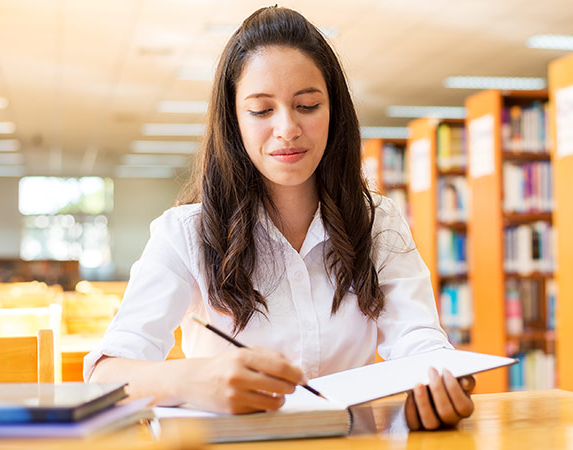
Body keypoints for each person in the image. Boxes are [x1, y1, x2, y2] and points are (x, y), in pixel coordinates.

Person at [84, 6, 474, 431]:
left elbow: (419, 339)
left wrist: (437, 380)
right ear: (234, 121)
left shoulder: (377, 221)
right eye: (261, 110)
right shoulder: (184, 234)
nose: (287, 128)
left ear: (334, 112)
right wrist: (190, 379)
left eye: (307, 105)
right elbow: (104, 375)